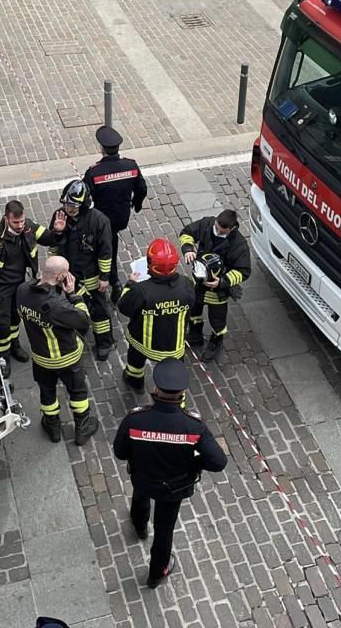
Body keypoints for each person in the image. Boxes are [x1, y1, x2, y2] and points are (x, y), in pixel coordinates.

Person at [113, 358, 227, 588]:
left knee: (140, 497)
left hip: (143, 478)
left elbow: (120, 452)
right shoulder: (193, 426)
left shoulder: (136, 419)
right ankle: (157, 573)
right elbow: (218, 462)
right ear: (182, 392)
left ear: (156, 388)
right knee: (164, 529)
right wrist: (195, 462)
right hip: (174, 488)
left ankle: (140, 525)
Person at [16, 256, 99, 446]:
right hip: (67, 357)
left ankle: (52, 427)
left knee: (47, 393)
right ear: (61, 277)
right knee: (78, 393)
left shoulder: (22, 290)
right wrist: (73, 294)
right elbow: (83, 320)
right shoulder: (57, 306)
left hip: (40, 357)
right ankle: (82, 428)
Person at [0, 200, 58, 371]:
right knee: (1, 323)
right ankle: (2, 358)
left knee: (15, 318)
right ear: (6, 219)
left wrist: (58, 230)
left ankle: (15, 346)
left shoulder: (28, 227)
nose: (20, 226)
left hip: (20, 285)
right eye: (16, 222)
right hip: (0, 287)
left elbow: (49, 238)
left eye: (22, 221)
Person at [49, 180, 115, 360]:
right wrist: (57, 233)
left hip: (91, 275)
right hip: (69, 275)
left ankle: (104, 342)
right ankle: (78, 330)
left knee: (99, 310)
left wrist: (104, 277)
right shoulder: (59, 216)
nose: (68, 209)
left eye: (73, 206)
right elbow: (53, 245)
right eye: (66, 204)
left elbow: (105, 251)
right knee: (71, 306)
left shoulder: (99, 221)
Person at [118, 238, 195, 391]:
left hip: (142, 342)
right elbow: (191, 303)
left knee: (135, 361)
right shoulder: (186, 285)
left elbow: (124, 306)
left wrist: (130, 284)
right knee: (174, 377)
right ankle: (173, 396)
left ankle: (135, 381)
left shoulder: (141, 290)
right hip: (174, 344)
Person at [83, 125, 147, 305]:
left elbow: (85, 197)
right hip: (121, 217)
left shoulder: (94, 172)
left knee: (105, 247)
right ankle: (113, 279)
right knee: (111, 241)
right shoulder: (130, 165)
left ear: (101, 148)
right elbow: (142, 188)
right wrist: (137, 204)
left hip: (102, 220)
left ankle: (113, 280)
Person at [179, 209, 251, 362]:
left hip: (218, 291)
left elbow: (243, 271)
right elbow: (187, 232)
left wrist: (223, 281)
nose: (217, 232)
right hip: (198, 282)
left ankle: (216, 343)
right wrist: (188, 249)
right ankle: (195, 335)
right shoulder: (207, 224)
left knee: (217, 320)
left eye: (221, 231)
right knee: (193, 310)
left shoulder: (239, 245)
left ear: (231, 228)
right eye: (216, 227)